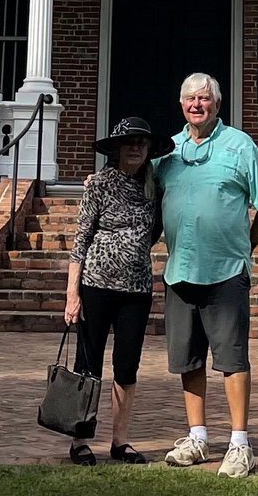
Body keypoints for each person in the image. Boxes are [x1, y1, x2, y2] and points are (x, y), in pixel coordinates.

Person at [154, 72, 258, 478]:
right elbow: (140, 189)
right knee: (188, 359)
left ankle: (240, 444)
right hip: (180, 270)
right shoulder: (168, 151)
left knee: (231, 358)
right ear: (181, 104)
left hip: (226, 273)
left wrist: (246, 244)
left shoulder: (240, 146)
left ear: (217, 104)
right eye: (189, 98)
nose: (196, 104)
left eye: (204, 98)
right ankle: (197, 438)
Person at [63, 115, 166, 466]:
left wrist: (132, 252)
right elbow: (81, 239)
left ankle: (120, 442)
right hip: (95, 286)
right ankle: (79, 441)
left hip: (136, 290)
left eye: (141, 143)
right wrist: (72, 295)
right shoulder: (99, 184)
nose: (135, 148)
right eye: (128, 143)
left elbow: (154, 233)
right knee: (88, 364)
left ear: (149, 149)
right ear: (117, 148)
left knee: (127, 365)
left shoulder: (155, 187)